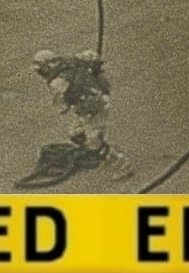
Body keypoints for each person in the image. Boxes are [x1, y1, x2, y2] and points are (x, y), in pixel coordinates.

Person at [17, 50, 129, 186]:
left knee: (94, 141)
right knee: (75, 134)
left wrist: (65, 103)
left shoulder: (57, 82)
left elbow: (61, 106)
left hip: (94, 109)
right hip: (91, 104)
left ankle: (121, 164)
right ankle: (96, 152)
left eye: (40, 70)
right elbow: (93, 56)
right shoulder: (75, 60)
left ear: (47, 66)